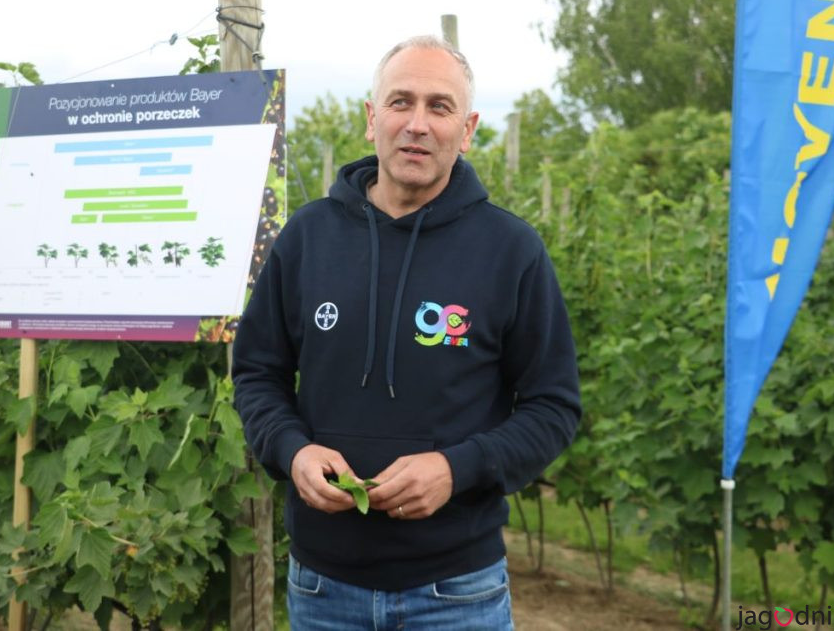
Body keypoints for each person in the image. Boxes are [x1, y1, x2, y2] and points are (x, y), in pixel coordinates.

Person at [233, 35, 581, 629]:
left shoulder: (511, 251)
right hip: (321, 590)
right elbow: (257, 373)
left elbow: (554, 407)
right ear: (373, 119)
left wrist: (457, 469)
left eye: (439, 107)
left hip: (457, 593)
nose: (417, 123)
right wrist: (293, 451)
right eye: (401, 102)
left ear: (467, 130)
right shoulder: (308, 238)